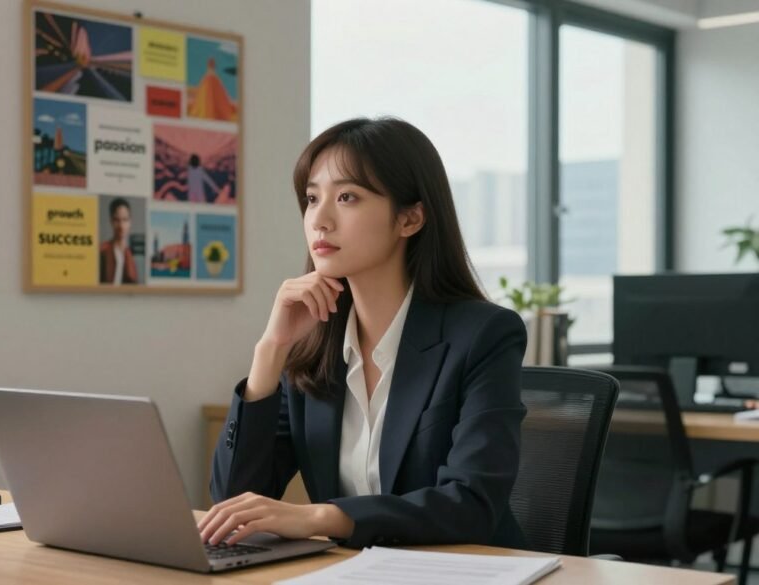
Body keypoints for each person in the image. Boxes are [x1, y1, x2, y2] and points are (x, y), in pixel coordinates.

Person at [199, 118, 528, 550]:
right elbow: (232, 502)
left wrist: (322, 516)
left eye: (347, 197)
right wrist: (270, 351)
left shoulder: (483, 336)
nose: (320, 219)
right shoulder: (312, 347)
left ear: (410, 219)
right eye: (312, 198)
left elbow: (470, 505)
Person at [99, 197, 138, 285]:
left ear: (130, 222)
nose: (121, 226)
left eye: (125, 220)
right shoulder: (102, 251)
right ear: (111, 221)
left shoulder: (130, 256)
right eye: (117, 220)